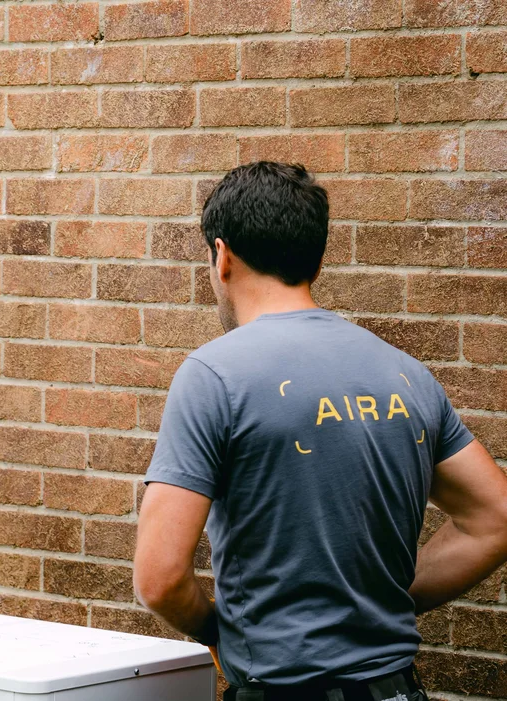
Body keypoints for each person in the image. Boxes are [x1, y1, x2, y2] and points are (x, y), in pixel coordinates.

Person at [133, 161, 507, 700]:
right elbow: (495, 518)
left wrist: (221, 631)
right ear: (317, 259)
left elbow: (159, 578)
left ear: (222, 256)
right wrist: (381, 600)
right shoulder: (405, 374)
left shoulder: (214, 375)